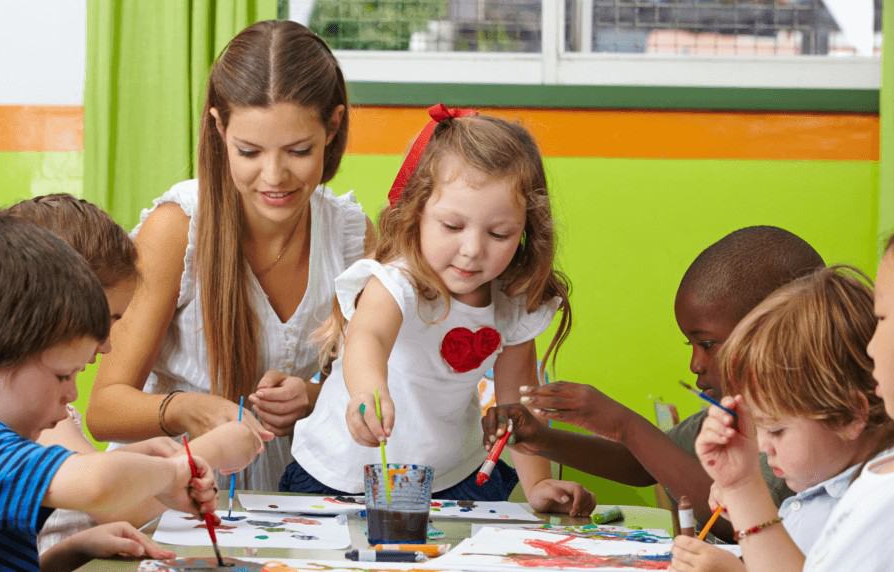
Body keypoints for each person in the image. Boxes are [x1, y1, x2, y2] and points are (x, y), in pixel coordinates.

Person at [86, 19, 374, 494]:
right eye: (249, 151)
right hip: (172, 492)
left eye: (299, 150)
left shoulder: (349, 235)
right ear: (220, 129)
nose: (274, 175)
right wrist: (183, 408)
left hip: (295, 498)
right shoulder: (178, 228)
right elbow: (104, 410)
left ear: (334, 126)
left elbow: (369, 386)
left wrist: (313, 397)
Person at [283, 105, 595, 514]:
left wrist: (537, 483)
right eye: (452, 226)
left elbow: (516, 406)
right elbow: (368, 337)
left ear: (526, 231)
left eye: (499, 233)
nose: (472, 250)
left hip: (450, 479)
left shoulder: (511, 302)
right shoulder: (397, 281)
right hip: (341, 476)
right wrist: (367, 392)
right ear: (416, 213)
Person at [0, 212, 217, 571]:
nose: (71, 394)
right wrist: (174, 473)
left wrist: (73, 549)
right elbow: (99, 485)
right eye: (61, 376)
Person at [483, 226, 824, 534]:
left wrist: (624, 425)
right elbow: (645, 465)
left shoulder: (804, 430)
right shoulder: (735, 409)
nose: (695, 364)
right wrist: (541, 439)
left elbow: (735, 520)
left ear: (772, 332)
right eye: (691, 346)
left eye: (707, 345)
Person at [7, 193, 262, 553]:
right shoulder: (28, 415)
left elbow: (86, 475)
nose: (109, 346)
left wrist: (136, 461)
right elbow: (113, 502)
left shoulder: (34, 410)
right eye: (103, 322)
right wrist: (207, 453)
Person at [670, 265, 893, 572]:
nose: (763, 446)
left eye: (776, 429)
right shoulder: (830, 493)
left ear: (850, 416)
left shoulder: (875, 507)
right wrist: (742, 488)